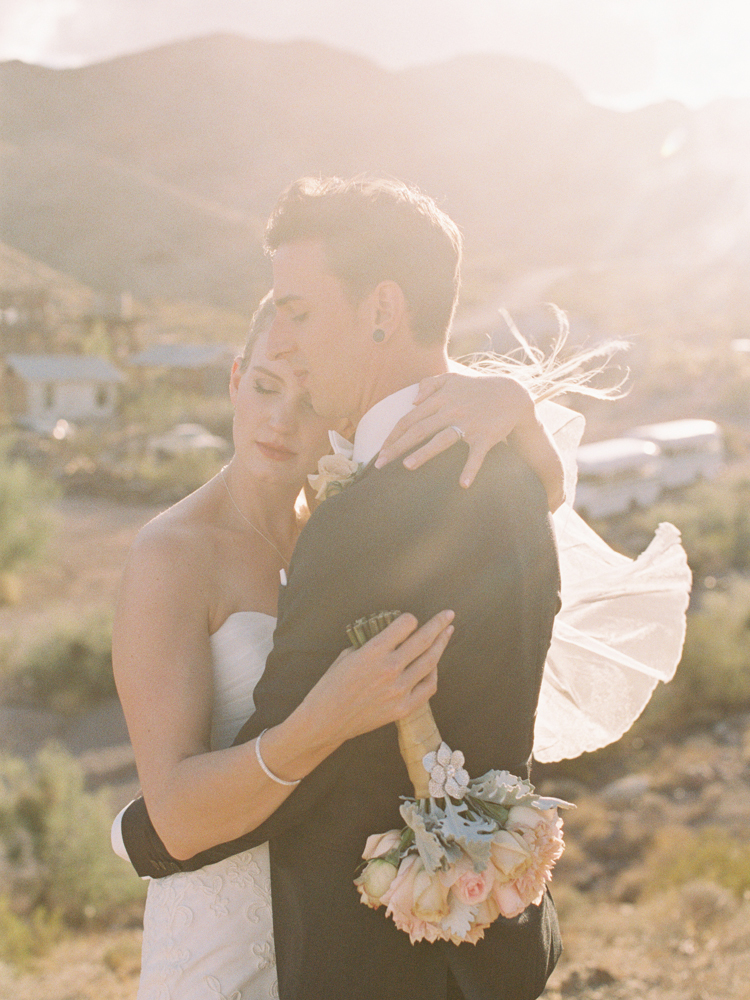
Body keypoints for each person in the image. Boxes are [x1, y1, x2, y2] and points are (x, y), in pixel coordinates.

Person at [113, 271, 567, 996]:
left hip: (342, 934)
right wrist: (326, 718)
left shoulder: (351, 529)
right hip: (224, 934)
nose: (281, 422)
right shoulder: (171, 556)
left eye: (309, 396)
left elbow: (519, 517)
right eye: (263, 386)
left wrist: (514, 406)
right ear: (233, 379)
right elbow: (173, 815)